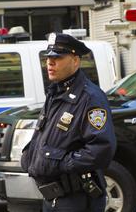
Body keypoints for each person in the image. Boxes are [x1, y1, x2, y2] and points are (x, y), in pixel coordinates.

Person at [21, 32, 116, 212]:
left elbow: (101, 148)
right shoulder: (55, 93)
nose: (50, 62)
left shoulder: (90, 98)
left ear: (75, 60)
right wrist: (30, 156)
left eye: (58, 57)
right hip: (53, 198)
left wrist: (62, 164)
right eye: (48, 57)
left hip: (76, 199)